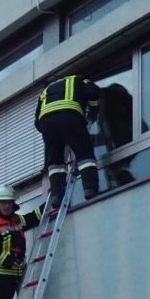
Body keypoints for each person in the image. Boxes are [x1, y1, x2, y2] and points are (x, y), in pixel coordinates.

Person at [34, 75, 101, 207]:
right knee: (84, 153)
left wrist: (54, 135)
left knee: (55, 162)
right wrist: (93, 112)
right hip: (70, 116)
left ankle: (56, 196)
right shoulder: (80, 80)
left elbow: (37, 121)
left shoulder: (46, 90)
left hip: (46, 123)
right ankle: (90, 188)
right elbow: (94, 92)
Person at [0, 185, 42, 299]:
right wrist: (10, 261)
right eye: (3, 203)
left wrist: (51, 201)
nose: (6, 206)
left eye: (9, 203)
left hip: (15, 273)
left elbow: (33, 217)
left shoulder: (17, 220)